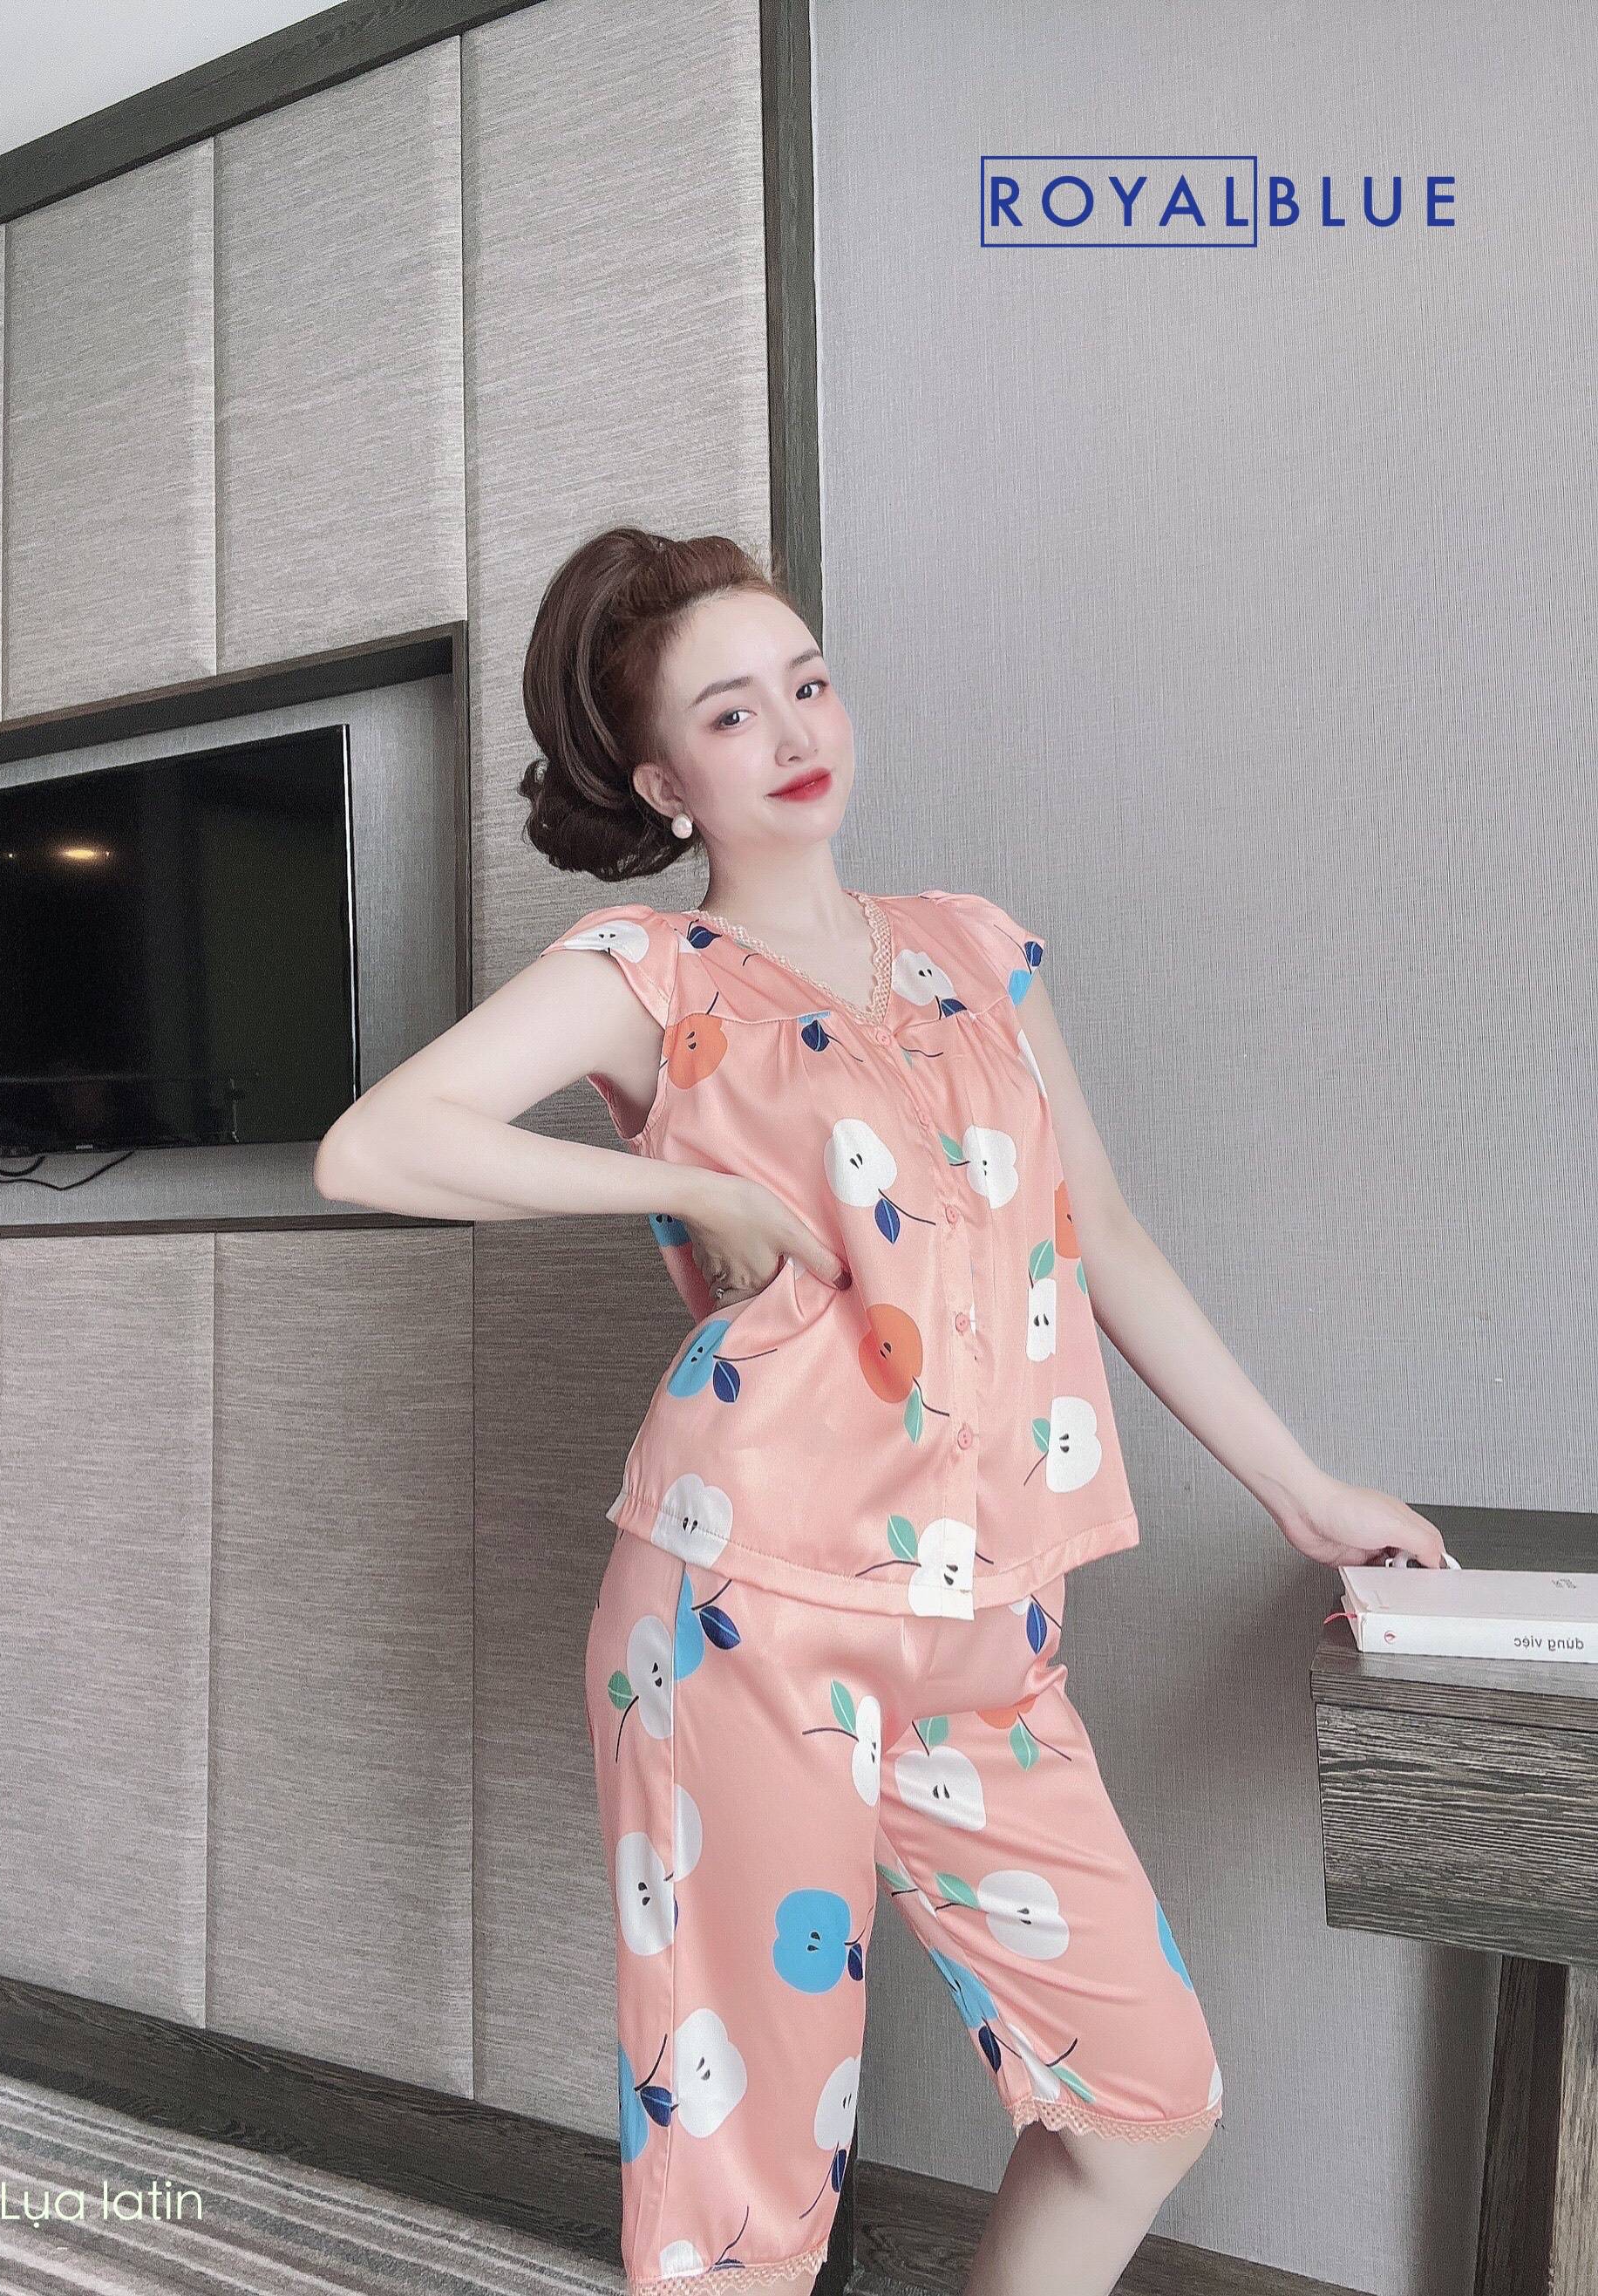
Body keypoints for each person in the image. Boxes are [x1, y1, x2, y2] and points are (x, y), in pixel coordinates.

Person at [314, 527, 1448, 2296]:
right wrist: (686, 1187)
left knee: (1144, 2098)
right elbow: (374, 1145)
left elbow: (1104, 1231)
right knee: (745, 2208)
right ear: (662, 781)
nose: (792, 731)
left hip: (993, 1618)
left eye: (809, 684)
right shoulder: (652, 973)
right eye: (730, 712)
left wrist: (1300, 1489)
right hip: (746, 1611)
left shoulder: (977, 949)